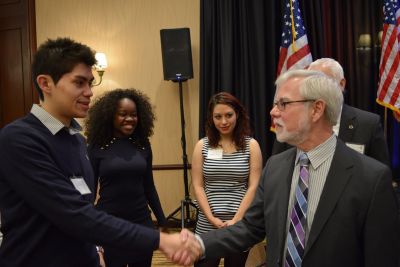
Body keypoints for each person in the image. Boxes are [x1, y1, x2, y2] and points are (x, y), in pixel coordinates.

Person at [0, 37, 199, 267]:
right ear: (45, 83)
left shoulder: (77, 140)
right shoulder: (19, 139)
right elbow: (72, 213)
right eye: (79, 83)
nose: (89, 92)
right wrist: (160, 239)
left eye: (90, 83)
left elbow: (84, 206)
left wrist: (95, 251)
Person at [174, 70, 399, 267]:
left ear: (316, 109)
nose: (272, 112)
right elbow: (250, 228)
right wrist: (197, 243)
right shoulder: (275, 167)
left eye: (283, 103)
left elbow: (382, 259)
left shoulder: (371, 179)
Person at [85, 88, 167, 267]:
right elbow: (90, 190)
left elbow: (149, 186)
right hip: (109, 223)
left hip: (141, 223)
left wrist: (162, 221)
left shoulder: (143, 145)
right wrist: (88, 225)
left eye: (134, 114)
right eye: (123, 114)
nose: (129, 119)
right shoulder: (96, 147)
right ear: (110, 116)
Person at [272, 58, 391, 168]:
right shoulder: (292, 124)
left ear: (341, 84)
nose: (315, 89)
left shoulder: (368, 124)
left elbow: (380, 177)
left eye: (321, 82)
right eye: (309, 83)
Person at [191, 92, 262, 267]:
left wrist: (236, 220)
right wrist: (211, 218)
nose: (223, 122)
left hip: (239, 226)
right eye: (218, 116)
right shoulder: (202, 145)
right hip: (207, 224)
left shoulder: (251, 145)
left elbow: (254, 186)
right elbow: (198, 186)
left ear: (237, 114)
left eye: (228, 115)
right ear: (211, 118)